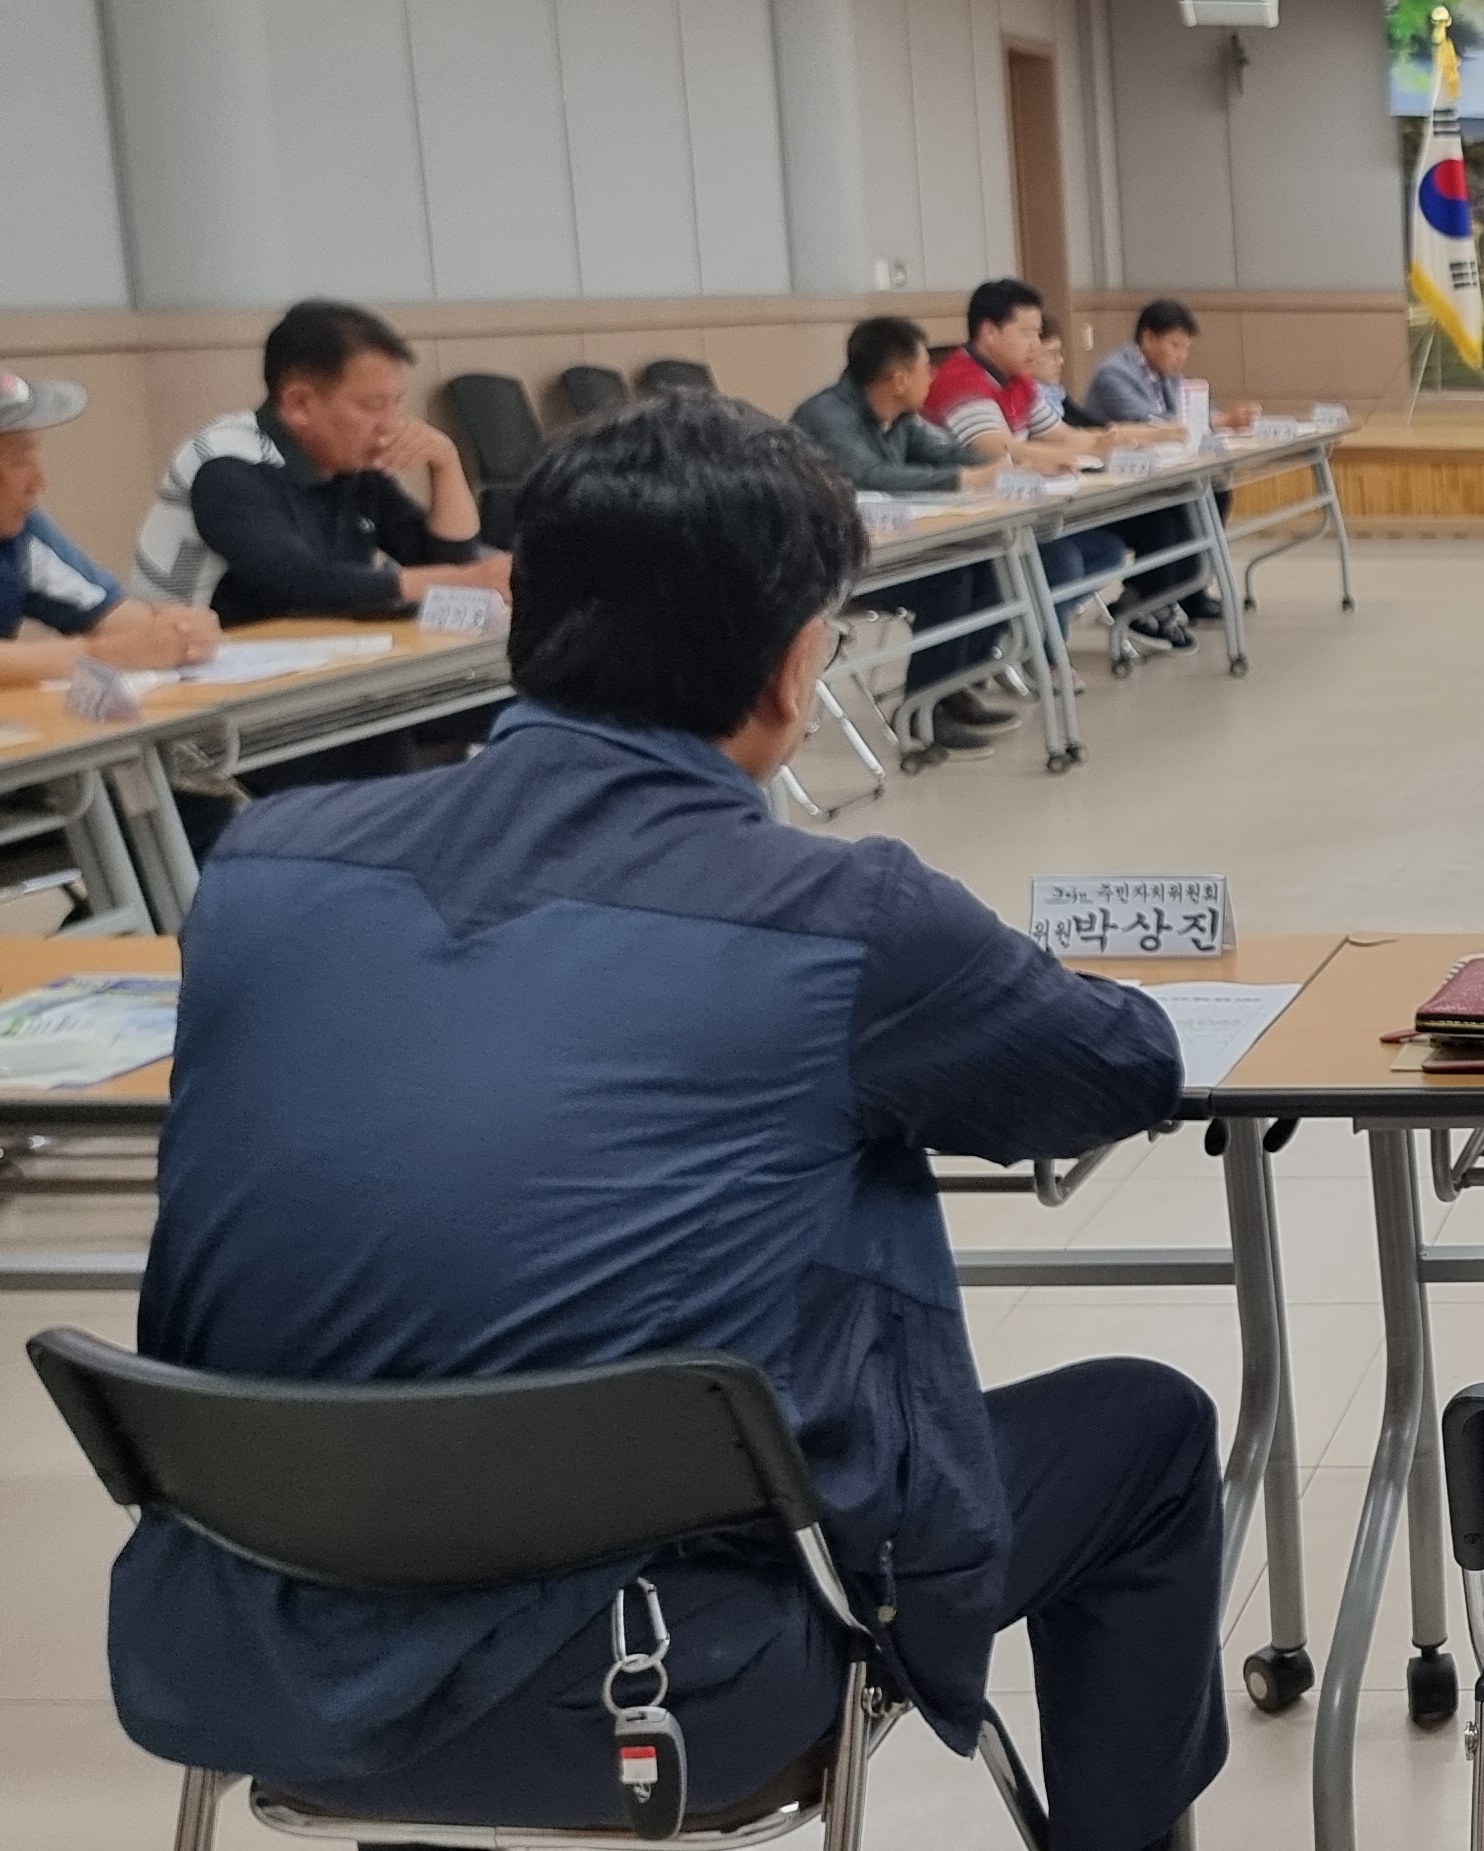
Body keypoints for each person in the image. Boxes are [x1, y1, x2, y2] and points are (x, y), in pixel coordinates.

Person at [114, 393, 1222, 1851]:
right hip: (664, 1684)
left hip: (253, 1656)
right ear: (790, 667)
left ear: (527, 617)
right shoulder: (849, 924)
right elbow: (1120, 1069)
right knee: (1146, 1429)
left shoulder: (261, 872)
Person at [133, 298, 513, 623]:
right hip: (196, 673)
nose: (391, 424)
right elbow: (298, 584)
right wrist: (464, 580)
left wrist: (445, 463)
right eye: (372, 405)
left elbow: (443, 560)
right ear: (300, 404)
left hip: (301, 656)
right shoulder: (225, 463)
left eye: (396, 403)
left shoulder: (350, 461)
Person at [791, 313, 1023, 756]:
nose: (931, 377)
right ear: (898, 379)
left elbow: (943, 453)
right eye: (924, 368)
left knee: (988, 564)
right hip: (833, 568)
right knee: (949, 580)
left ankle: (951, 690)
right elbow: (866, 475)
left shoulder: (900, 418)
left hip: (890, 552)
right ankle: (920, 710)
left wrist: (1008, 465)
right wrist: (964, 481)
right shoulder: (825, 417)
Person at [924, 278, 1134, 638]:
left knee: (1106, 551)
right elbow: (996, 447)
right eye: (1026, 334)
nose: (1036, 345)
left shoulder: (1017, 380)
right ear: (989, 332)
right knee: (1062, 561)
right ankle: (1039, 653)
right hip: (963, 524)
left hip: (1012, 515)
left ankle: (1019, 640)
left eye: (1037, 334)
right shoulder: (959, 380)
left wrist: (1105, 442)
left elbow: (1064, 434)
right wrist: (1059, 456)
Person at [0, 369, 220, 681]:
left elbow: (115, 617)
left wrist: (181, 632)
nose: (39, 481)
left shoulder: (18, 534)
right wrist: (108, 655)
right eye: (20, 460)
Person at [1080, 298, 1259, 649]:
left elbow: (1193, 416)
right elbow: (1155, 424)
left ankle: (1189, 590)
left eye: (1186, 348)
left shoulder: (1168, 375)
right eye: (1175, 345)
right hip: (1118, 487)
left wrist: (1222, 419)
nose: (1181, 356)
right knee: (1171, 513)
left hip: (1156, 476)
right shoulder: (1113, 375)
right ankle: (1143, 601)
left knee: (1215, 491)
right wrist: (1220, 422)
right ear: (1147, 338)